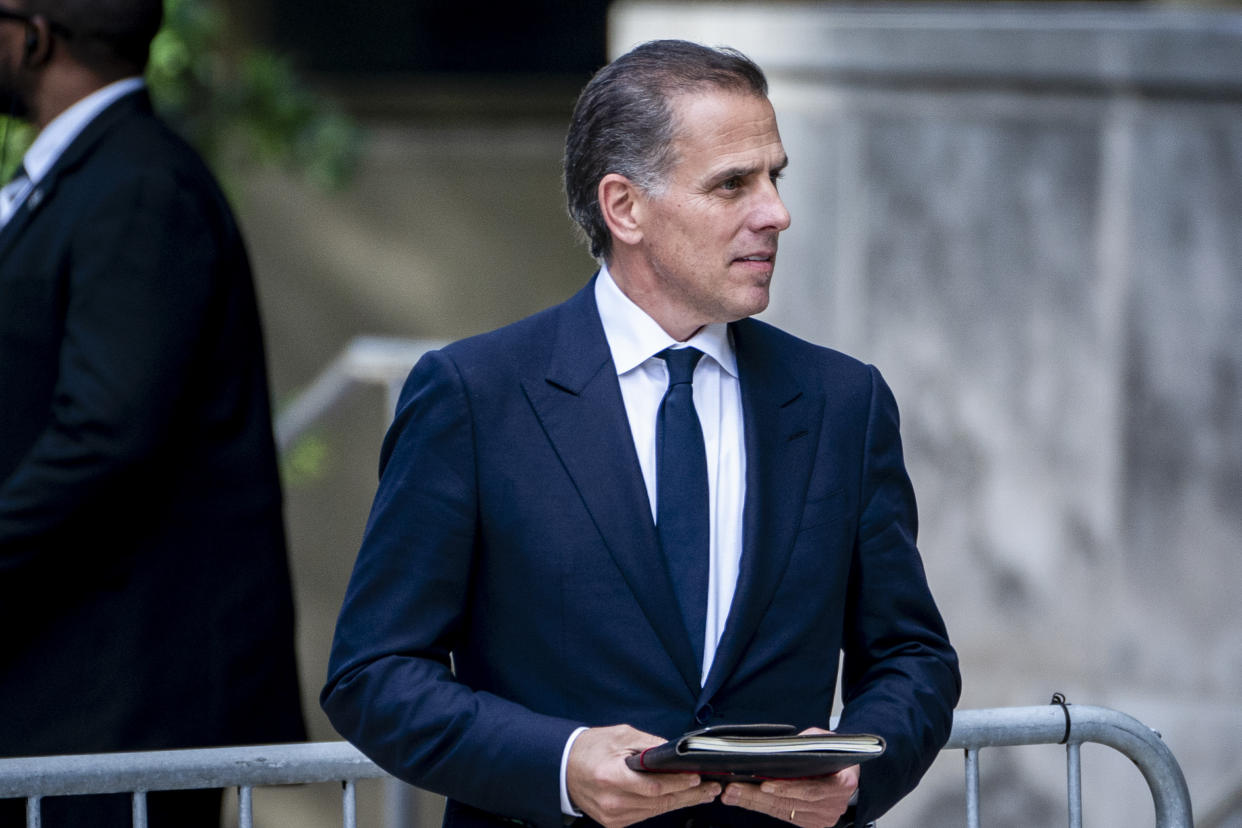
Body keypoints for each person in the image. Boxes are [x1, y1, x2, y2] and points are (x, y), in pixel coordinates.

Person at [322, 40, 959, 828]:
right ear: (625, 207)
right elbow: (374, 674)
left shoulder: (842, 401)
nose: (775, 213)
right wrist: (561, 764)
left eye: (774, 177)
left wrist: (858, 767)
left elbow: (912, 658)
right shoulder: (475, 397)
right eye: (733, 184)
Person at [0, 0, 305, 825]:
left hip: (114, 701)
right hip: (62, 683)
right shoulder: (82, 178)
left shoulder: (139, 186)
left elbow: (106, 433)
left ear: (35, 36)